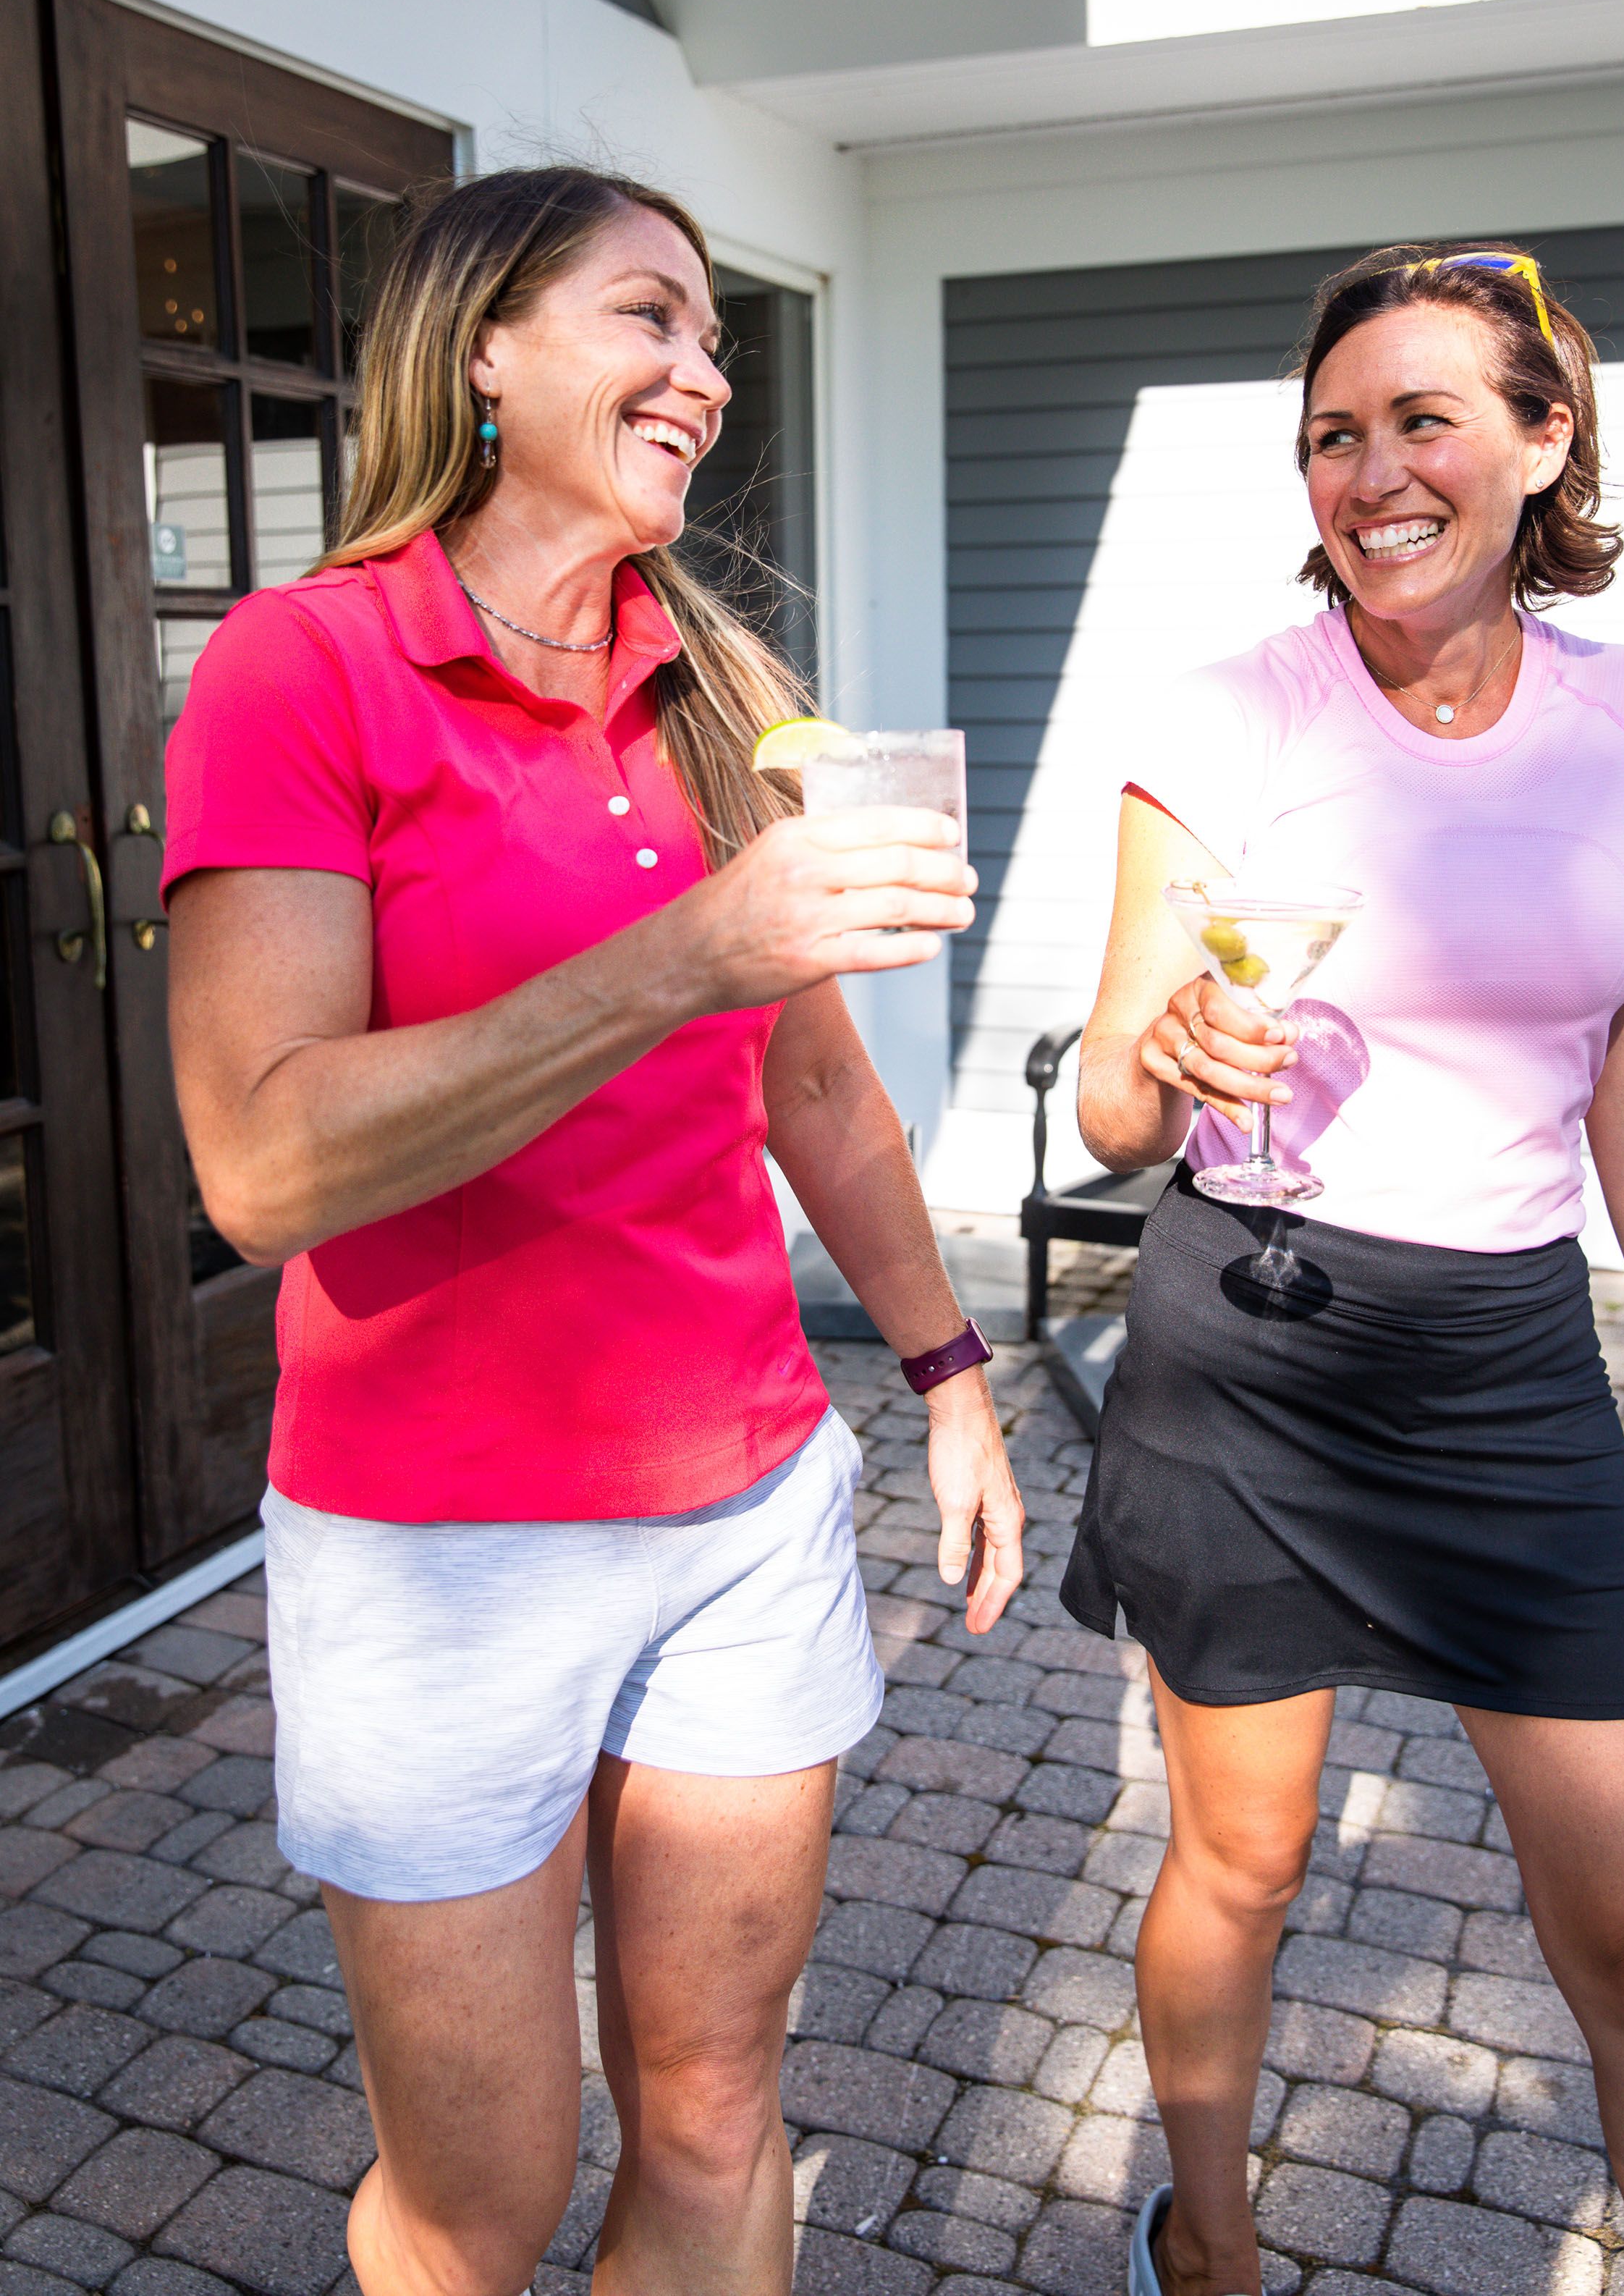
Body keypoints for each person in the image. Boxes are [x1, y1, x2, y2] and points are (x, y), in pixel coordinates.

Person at [162, 165, 1024, 2296]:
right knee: (480, 2202)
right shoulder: (306, 667)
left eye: (716, 335)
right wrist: (678, 956)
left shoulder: (713, 678)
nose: (705, 374)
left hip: (739, 1512)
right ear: (485, 347)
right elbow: (261, 1167)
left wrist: (949, 1378)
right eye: (651, 318)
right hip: (437, 1553)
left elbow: (809, 1082)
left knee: (723, 2115)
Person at [1065, 243, 1624, 2296]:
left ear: (1540, 438)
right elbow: (1116, 1112)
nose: (1367, 473)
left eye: (1420, 421)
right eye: (1329, 433)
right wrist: (1162, 1060)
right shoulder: (1227, 714)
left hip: (1502, 1372)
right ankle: (1205, 2253)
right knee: (1245, 1856)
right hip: (1252, 1353)